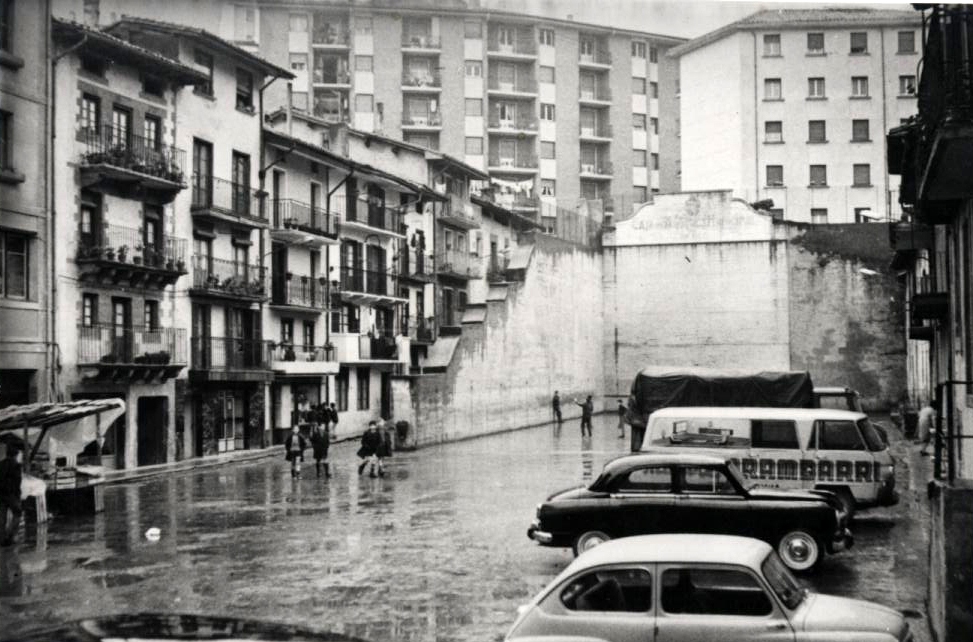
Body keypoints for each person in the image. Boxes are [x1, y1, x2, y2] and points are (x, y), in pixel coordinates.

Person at [0, 444, 24, 547]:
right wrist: (18, 494)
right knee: (18, 513)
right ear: (15, 454)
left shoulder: (0, 464)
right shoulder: (16, 465)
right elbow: (17, 481)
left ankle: (1, 539)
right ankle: (10, 536)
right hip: (11, 494)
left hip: (1, 494)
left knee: (2, 518)